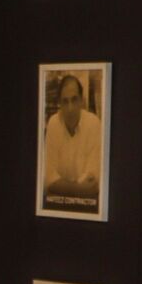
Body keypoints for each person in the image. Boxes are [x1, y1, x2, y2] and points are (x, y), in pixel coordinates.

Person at [41, 73, 101, 209]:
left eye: (74, 99)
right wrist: (79, 189)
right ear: (60, 104)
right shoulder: (53, 124)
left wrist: (61, 186)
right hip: (59, 205)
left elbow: (93, 184)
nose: (70, 108)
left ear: (82, 100)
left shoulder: (94, 124)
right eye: (65, 101)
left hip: (87, 206)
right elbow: (48, 179)